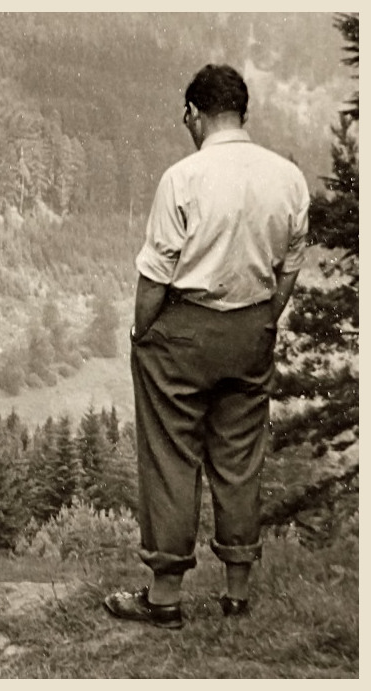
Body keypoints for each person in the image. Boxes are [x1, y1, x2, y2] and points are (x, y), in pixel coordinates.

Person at [104, 64, 309, 629]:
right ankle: (237, 593)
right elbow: (289, 270)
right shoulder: (288, 177)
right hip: (252, 328)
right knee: (240, 458)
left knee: (172, 456)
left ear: (195, 112)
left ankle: (165, 596)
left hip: (184, 330)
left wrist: (140, 331)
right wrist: (264, 320)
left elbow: (156, 277)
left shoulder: (183, 177)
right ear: (243, 113)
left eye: (186, 115)